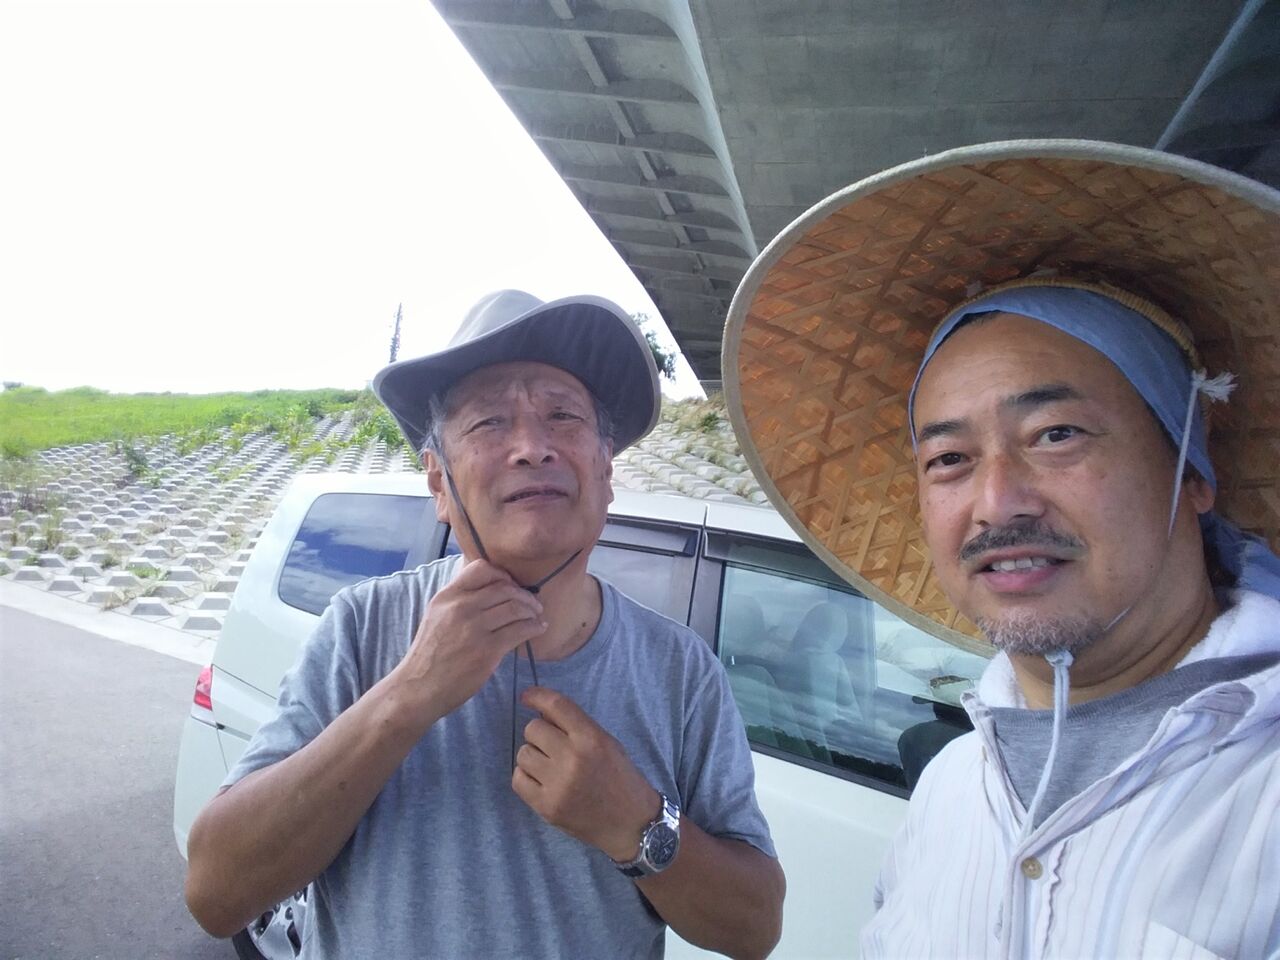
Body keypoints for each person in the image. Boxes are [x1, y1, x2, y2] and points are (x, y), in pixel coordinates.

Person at [721, 141, 1280, 957]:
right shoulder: (949, 790)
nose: (996, 502)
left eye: (1055, 434)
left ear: (1192, 474)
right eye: (950, 458)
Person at [185, 290, 785, 959]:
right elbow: (216, 894)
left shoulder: (682, 671)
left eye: (563, 416)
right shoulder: (362, 626)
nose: (532, 447)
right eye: (489, 422)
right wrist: (409, 694)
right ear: (439, 484)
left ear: (606, 470)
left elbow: (755, 929)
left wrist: (638, 825)